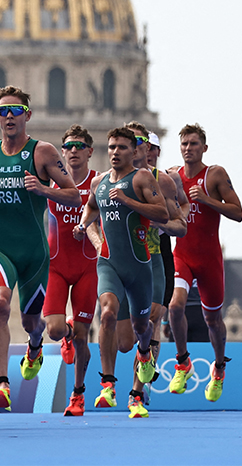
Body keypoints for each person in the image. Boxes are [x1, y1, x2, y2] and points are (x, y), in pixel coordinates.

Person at [0, 86, 79, 411]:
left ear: (28, 114)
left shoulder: (43, 152)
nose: (10, 117)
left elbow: (75, 195)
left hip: (35, 255)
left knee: (31, 322)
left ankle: (34, 344)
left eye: (16, 110)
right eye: (3, 111)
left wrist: (43, 189)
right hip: (0, 249)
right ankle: (2, 384)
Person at [77, 127, 168, 418]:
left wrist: (128, 202)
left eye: (122, 147)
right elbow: (90, 209)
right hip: (109, 262)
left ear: (134, 151)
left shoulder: (141, 178)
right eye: (112, 147)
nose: (115, 152)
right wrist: (84, 227)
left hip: (139, 266)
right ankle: (108, 384)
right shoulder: (100, 182)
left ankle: (144, 359)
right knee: (106, 313)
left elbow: (163, 214)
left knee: (141, 330)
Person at [167, 123, 242, 402]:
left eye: (194, 144)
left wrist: (209, 200)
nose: (188, 149)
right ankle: (183, 362)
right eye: (184, 144)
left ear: (204, 148)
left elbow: (238, 213)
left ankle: (219, 367)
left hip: (210, 258)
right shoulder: (172, 176)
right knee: (175, 306)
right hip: (183, 254)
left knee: (212, 320)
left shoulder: (215, 175)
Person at [39, 125, 99, 416]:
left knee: (84, 337)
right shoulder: (50, 183)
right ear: (62, 152)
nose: (73, 151)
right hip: (56, 266)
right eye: (69, 146)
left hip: (88, 266)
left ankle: (78, 395)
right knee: (54, 329)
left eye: (79, 146)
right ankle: (67, 332)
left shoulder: (98, 183)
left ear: (89, 151)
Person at [142, 130, 188, 380]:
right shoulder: (119, 177)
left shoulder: (168, 179)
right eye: (142, 146)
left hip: (159, 249)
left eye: (151, 148)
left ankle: (144, 381)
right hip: (130, 255)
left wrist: (171, 223)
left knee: (156, 316)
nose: (146, 151)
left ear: (157, 152)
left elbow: (183, 206)